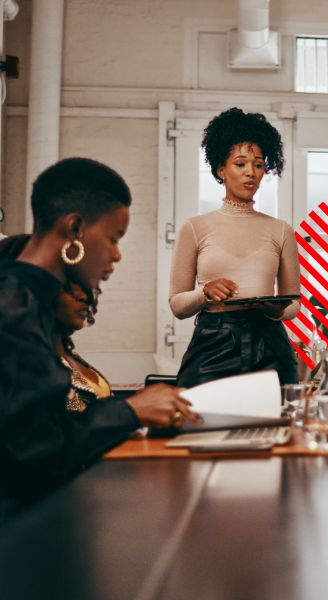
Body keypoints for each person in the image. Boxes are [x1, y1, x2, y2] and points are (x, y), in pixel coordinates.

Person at [0, 158, 197, 519]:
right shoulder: (13, 307)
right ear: (74, 228)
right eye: (113, 238)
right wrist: (131, 410)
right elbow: (35, 456)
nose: (117, 255)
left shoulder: (34, 303)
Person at [169, 107, 300, 388]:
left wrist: (276, 310)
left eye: (258, 164)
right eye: (240, 164)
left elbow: (294, 304)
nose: (250, 173)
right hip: (213, 341)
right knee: (196, 424)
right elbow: (177, 305)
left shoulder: (281, 230)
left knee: (277, 427)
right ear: (221, 170)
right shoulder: (194, 228)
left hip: (270, 343)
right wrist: (204, 293)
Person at [0, 233, 111, 411]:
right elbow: (59, 428)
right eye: (68, 288)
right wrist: (131, 412)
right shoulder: (28, 363)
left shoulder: (68, 355)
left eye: (85, 287)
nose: (83, 296)